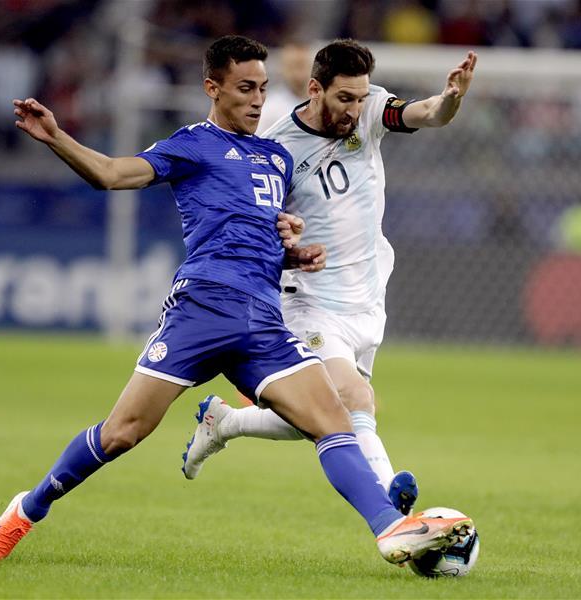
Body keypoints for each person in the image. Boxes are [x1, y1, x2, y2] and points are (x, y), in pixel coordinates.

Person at [0, 35, 472, 565]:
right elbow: (113, 175)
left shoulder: (278, 158)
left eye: (261, 88)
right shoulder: (193, 145)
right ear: (213, 88)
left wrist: (293, 255)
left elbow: (258, 238)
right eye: (244, 88)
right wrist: (57, 137)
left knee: (335, 420)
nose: (257, 100)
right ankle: (26, 510)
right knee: (124, 432)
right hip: (205, 307)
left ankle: (390, 529)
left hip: (263, 317)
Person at [181, 39, 478, 516]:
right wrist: (287, 243)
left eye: (361, 98)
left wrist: (451, 99)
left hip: (367, 296)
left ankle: (226, 422)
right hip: (310, 301)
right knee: (356, 398)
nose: (355, 109)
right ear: (315, 89)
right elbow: (258, 228)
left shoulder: (370, 110)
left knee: (324, 415)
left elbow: (426, 114)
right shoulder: (277, 152)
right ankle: (393, 508)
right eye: (345, 99)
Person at [256, 41, 312, 133]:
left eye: (301, 65)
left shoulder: (322, 103)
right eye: (293, 66)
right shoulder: (270, 107)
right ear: (283, 68)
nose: (298, 73)